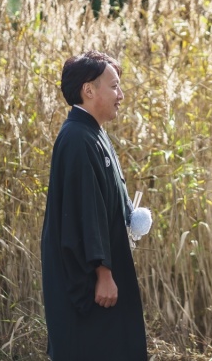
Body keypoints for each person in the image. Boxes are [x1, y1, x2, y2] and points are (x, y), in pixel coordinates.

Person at [41, 51, 147, 360]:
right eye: (114, 86)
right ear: (89, 90)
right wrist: (103, 273)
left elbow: (106, 199)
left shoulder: (92, 132)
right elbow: (85, 212)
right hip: (89, 280)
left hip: (103, 272)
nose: (121, 95)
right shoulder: (76, 137)